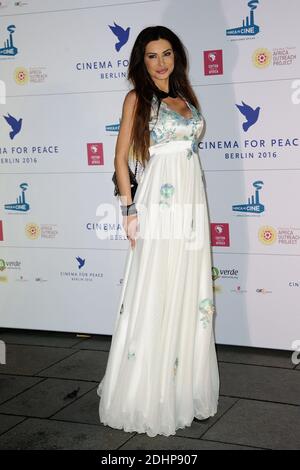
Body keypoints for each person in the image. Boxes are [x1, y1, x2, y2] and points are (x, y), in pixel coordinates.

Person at [97, 25, 219, 438]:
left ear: (176, 57)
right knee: (157, 287)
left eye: (167, 53)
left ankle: (183, 387)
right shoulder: (137, 99)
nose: (162, 62)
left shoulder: (186, 97)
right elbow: (119, 159)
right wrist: (129, 209)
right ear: (141, 61)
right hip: (160, 201)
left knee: (189, 291)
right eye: (153, 55)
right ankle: (148, 392)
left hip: (191, 202)